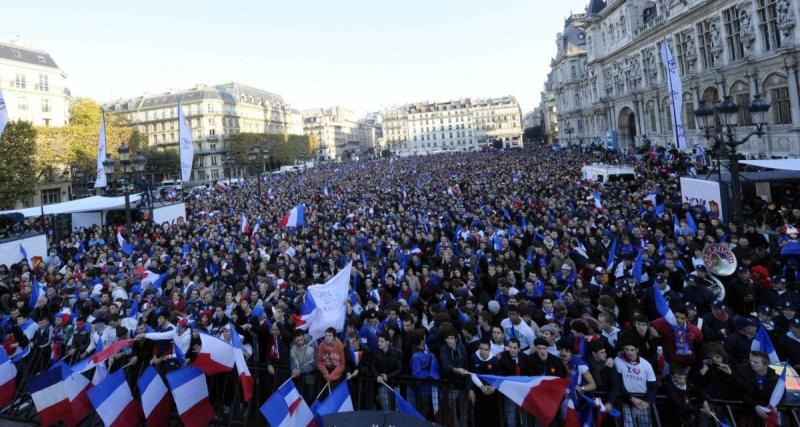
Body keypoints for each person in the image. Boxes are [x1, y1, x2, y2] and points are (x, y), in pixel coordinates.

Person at [615, 338, 657, 427]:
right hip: (626, 399)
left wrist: (648, 402)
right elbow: (618, 383)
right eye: (626, 349)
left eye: (632, 350)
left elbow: (652, 387)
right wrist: (631, 398)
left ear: (637, 350)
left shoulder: (646, 365)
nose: (629, 352)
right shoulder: (618, 361)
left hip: (643, 401)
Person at [731, 351, 780, 426]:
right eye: (751, 361)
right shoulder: (745, 375)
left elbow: (780, 393)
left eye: (756, 362)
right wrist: (755, 405)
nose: (752, 364)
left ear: (765, 365)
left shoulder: (775, 378)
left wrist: (776, 405)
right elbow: (742, 392)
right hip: (748, 414)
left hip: (767, 415)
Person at [439, 329, 469, 427]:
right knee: (452, 410)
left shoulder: (462, 348)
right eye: (447, 338)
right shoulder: (443, 350)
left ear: (456, 339)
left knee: (463, 410)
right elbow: (445, 365)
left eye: (451, 338)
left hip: (462, 384)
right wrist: (456, 370)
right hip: (451, 384)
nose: (449, 340)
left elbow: (465, 364)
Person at [497, 338, 528, 427]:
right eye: (510, 347)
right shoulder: (502, 357)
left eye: (514, 348)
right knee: (510, 413)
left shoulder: (524, 357)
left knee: (523, 412)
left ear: (519, 349)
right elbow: (499, 373)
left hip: (522, 391)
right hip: (509, 391)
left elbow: (528, 373)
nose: (512, 350)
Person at [469, 339, 499, 427]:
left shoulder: (494, 361)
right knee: (479, 419)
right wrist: (481, 386)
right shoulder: (473, 358)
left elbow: (497, 377)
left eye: (486, 349)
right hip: (479, 392)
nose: (483, 351)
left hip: (492, 394)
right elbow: (472, 374)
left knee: (493, 418)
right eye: (481, 349)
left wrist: (493, 387)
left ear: (489, 350)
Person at [370, 332, 402, 411]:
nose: (379, 343)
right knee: (385, 407)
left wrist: (388, 376)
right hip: (382, 384)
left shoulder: (397, 352)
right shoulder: (376, 352)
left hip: (394, 383)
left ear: (387, 342)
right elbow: (372, 366)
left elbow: (399, 369)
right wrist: (377, 376)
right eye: (378, 341)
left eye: (382, 341)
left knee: (396, 407)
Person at [289, 329, 317, 403]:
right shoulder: (293, 344)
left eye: (301, 339)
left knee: (310, 395)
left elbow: (313, 362)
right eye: (298, 340)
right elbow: (293, 359)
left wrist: (300, 370)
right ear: (295, 339)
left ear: (304, 336)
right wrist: (294, 369)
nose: (300, 342)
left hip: (310, 373)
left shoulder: (312, 343)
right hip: (298, 374)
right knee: (298, 394)